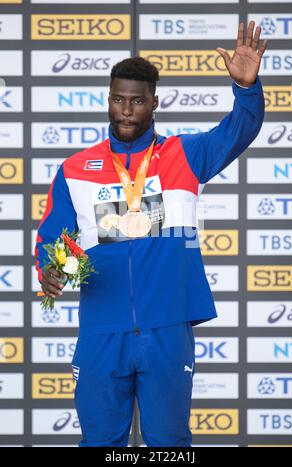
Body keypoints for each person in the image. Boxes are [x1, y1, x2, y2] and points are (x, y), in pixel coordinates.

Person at [35, 22, 267, 447]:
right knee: (100, 443)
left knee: (169, 444)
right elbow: (52, 239)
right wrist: (48, 271)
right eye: (119, 100)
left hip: (166, 328)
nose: (127, 110)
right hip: (101, 330)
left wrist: (246, 89)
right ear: (109, 100)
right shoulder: (74, 170)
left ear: (154, 103)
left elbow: (239, 131)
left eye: (137, 101)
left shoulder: (185, 154)